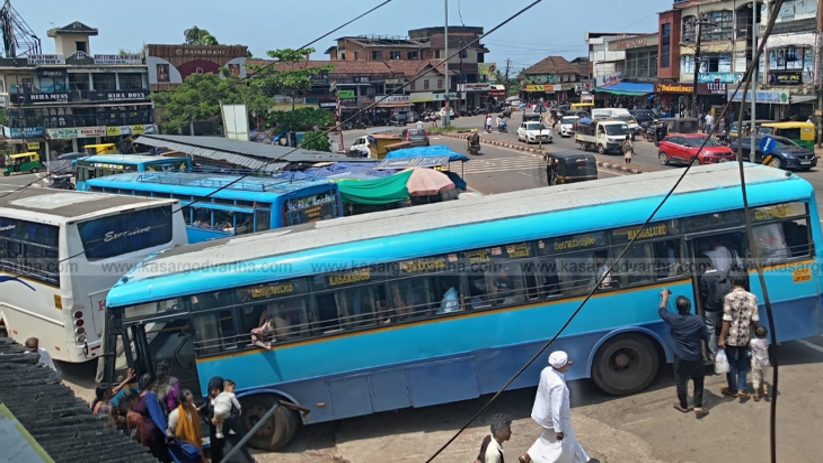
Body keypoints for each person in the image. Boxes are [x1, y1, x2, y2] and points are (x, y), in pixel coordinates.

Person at [521, 351, 596, 463]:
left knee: (547, 438)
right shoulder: (558, 386)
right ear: (563, 366)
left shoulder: (546, 371)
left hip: (544, 415)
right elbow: (556, 409)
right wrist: (558, 430)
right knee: (568, 442)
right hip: (558, 421)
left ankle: (526, 457)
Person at [659, 290, 709, 416]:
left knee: (680, 382)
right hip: (695, 356)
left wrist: (665, 298)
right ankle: (698, 406)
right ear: (689, 306)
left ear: (677, 308)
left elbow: (662, 311)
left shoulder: (673, 319)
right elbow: (705, 335)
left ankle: (683, 405)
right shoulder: (697, 320)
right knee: (698, 380)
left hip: (680, 357)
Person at [719, 269, 759, 400]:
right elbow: (755, 319)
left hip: (731, 336)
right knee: (743, 360)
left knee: (731, 362)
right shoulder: (753, 297)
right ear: (745, 282)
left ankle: (733, 389)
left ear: (732, 282)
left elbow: (726, 320)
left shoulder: (729, 298)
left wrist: (721, 338)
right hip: (745, 336)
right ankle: (742, 388)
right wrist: (751, 330)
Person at [203, 376, 254, 463]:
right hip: (216, 436)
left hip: (230, 435)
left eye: (216, 389)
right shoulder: (209, 400)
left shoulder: (229, 399)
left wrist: (224, 420)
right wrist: (211, 420)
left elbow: (236, 414)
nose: (213, 392)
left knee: (236, 456)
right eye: (211, 389)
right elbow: (206, 414)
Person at [698, 262, 732, 365]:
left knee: (711, 329)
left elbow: (703, 293)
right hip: (723, 304)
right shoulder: (722, 273)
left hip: (710, 307)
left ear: (703, 266)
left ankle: (713, 354)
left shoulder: (703, 278)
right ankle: (730, 348)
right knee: (727, 324)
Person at [134, 373, 172, 462]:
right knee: (163, 457)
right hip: (154, 434)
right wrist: (167, 432)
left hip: (143, 434)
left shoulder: (137, 396)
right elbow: (157, 416)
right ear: (151, 384)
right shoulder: (150, 396)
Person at [167, 389, 206, 463]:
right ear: (181, 402)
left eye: (192, 400)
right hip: (184, 447)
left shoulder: (193, 408)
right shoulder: (175, 414)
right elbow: (170, 431)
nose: (191, 402)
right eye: (188, 401)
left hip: (196, 443)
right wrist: (171, 440)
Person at [750, 325, 770, 401]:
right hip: (765, 362)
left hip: (756, 363)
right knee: (764, 375)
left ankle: (757, 395)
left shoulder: (753, 342)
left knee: (756, 378)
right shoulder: (767, 341)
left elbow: (750, 345)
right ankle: (765, 390)